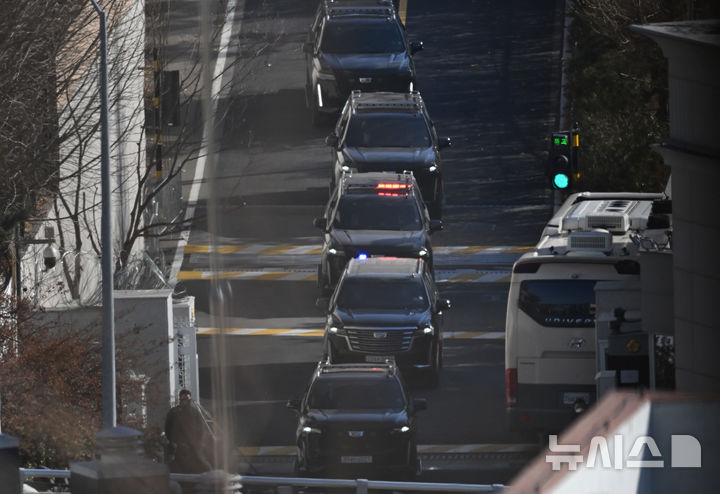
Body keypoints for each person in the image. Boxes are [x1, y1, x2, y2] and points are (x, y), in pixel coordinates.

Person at [164, 389, 212, 474]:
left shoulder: (195, 412)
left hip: (192, 447)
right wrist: (173, 442)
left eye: (186, 398)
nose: (184, 400)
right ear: (180, 398)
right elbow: (168, 428)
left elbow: (201, 429)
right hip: (178, 447)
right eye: (182, 398)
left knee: (198, 468)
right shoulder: (174, 412)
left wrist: (198, 443)